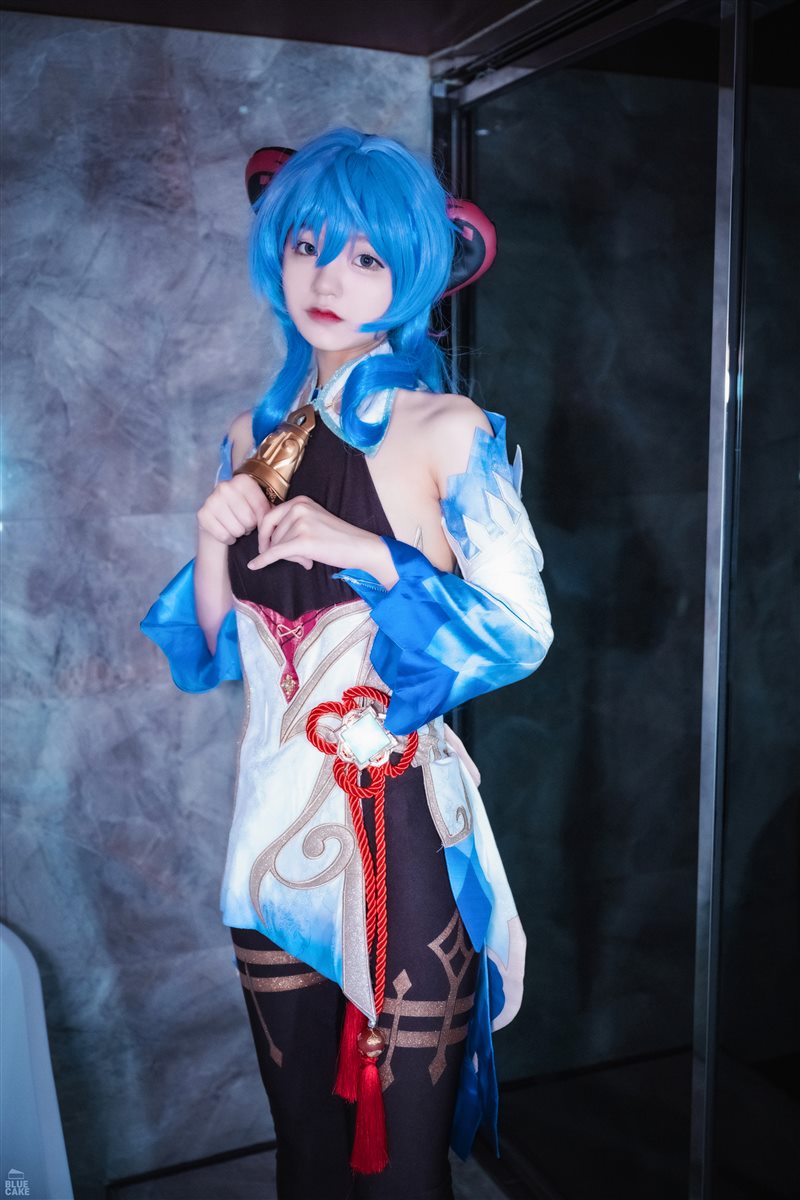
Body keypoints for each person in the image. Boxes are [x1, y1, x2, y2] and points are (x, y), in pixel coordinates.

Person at [141, 127, 554, 1200]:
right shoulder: (252, 433)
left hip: (401, 838)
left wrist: (368, 553)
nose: (329, 280)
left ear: (413, 271)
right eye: (308, 247)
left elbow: (521, 630)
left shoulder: (446, 430)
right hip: (266, 837)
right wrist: (209, 535)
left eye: (367, 257)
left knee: (404, 1177)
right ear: (275, 252)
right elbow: (215, 648)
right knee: (306, 1160)